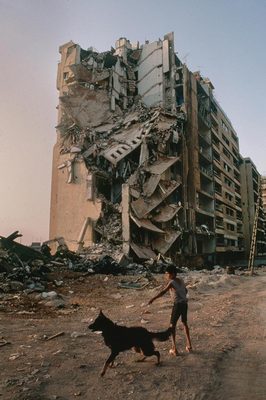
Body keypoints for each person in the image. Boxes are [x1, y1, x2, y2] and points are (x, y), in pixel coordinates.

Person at [148, 264, 192, 355]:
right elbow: (186, 291)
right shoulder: (181, 280)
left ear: (172, 274)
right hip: (185, 304)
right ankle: (189, 345)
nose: (166, 275)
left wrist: (153, 299)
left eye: (167, 273)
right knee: (185, 323)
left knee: (172, 326)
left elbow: (162, 292)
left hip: (178, 305)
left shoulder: (171, 282)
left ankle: (174, 349)